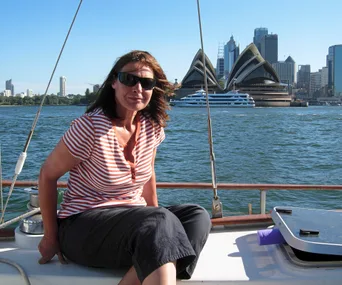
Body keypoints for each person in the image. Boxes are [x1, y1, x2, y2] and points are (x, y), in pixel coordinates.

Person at [38, 50, 211, 285]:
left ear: (153, 89)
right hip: (83, 225)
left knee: (197, 216)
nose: (137, 88)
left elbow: (148, 174)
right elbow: (47, 175)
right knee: (161, 221)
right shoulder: (90, 127)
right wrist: (50, 237)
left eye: (147, 82)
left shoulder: (152, 128)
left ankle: (142, 268)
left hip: (131, 223)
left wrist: (158, 222)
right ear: (114, 82)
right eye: (129, 79)